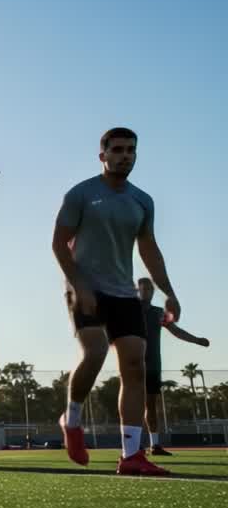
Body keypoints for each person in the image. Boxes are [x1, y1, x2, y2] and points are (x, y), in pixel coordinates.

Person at [53, 127, 184, 476]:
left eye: (131, 150)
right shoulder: (81, 194)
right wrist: (79, 285)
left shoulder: (142, 200)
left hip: (123, 292)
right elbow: (58, 243)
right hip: (85, 289)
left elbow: (149, 249)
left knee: (135, 366)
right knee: (94, 353)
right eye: (118, 150)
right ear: (103, 155)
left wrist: (169, 290)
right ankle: (73, 417)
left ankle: (131, 456)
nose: (125, 155)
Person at [137, 277, 210, 456]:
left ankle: (155, 445)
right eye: (143, 289)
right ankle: (133, 446)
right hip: (133, 363)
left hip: (153, 363)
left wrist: (197, 340)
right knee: (133, 404)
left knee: (151, 405)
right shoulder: (130, 310)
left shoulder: (158, 313)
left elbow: (176, 331)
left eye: (149, 289)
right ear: (137, 290)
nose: (146, 292)